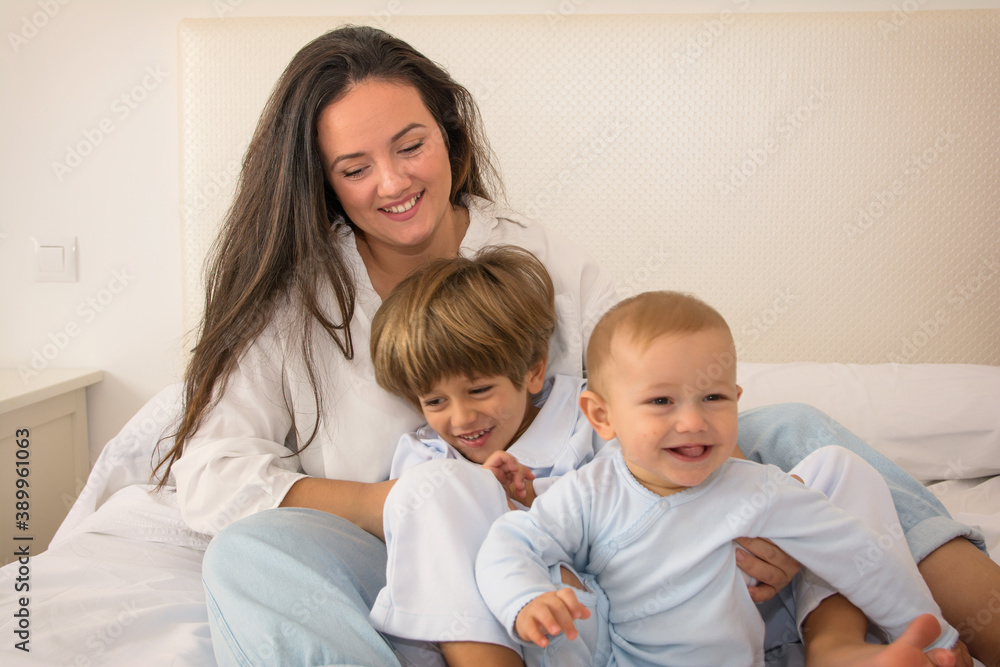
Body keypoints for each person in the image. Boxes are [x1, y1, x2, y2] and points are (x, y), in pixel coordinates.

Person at [150, 24, 1000, 667]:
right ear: (321, 179)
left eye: (410, 145)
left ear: (449, 132)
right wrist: (402, 501)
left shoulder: (534, 253)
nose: (394, 182)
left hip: (592, 552)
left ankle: (975, 621)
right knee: (250, 552)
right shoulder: (296, 299)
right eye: (355, 166)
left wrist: (739, 507)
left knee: (796, 429)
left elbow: (654, 384)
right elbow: (212, 475)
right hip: (404, 559)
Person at [476, 291, 966, 666]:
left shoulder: (759, 490)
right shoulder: (589, 493)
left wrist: (937, 633)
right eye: (662, 401)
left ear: (736, 397)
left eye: (713, 398)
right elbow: (513, 541)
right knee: (565, 597)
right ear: (602, 415)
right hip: (621, 658)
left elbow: (862, 555)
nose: (692, 422)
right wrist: (525, 600)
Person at [368, 245, 607, 666]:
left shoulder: (588, 420)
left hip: (583, 618)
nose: (461, 419)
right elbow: (429, 568)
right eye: (435, 401)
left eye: (479, 390)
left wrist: (530, 499)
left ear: (533, 370)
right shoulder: (425, 457)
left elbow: (633, 522)